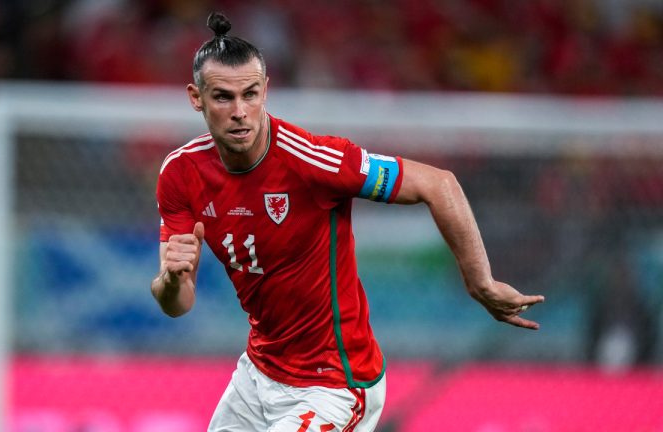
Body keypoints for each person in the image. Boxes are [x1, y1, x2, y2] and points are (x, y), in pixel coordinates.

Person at [151, 12, 545, 432]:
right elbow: (178, 304)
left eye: (250, 94)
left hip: (335, 383)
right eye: (223, 97)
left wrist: (479, 280)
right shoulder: (180, 174)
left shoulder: (314, 161)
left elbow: (439, 183)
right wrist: (172, 282)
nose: (240, 112)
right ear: (196, 97)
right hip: (257, 376)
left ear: (266, 90)